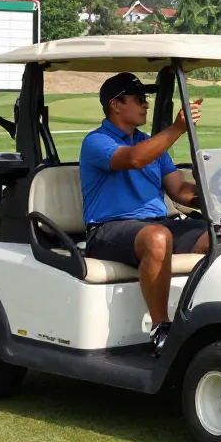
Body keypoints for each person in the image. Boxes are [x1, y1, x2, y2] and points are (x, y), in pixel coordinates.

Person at [79, 72, 206, 356]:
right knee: (157, 238)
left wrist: (215, 195)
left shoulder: (152, 145)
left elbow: (179, 191)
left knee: (218, 237)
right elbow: (134, 159)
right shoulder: (96, 142)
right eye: (139, 99)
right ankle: (162, 329)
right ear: (116, 105)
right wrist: (177, 129)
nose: (145, 105)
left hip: (156, 225)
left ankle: (211, 322)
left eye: (146, 99)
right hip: (108, 230)